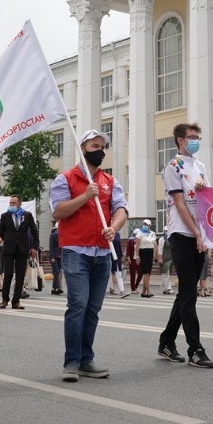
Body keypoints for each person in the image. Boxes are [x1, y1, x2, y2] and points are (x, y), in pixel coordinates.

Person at [50, 128, 128, 382]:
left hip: (102, 252)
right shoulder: (65, 179)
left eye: (102, 147)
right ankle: (72, 362)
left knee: (93, 309)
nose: (100, 151)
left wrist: (114, 227)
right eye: (95, 146)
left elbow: (121, 209)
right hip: (76, 251)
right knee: (78, 305)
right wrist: (85, 196)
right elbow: (58, 212)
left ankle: (86, 360)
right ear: (82, 148)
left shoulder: (110, 181)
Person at [158, 122, 213, 368]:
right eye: (191, 137)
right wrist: (196, 233)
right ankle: (195, 349)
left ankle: (166, 342)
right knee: (189, 292)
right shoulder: (173, 167)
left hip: (199, 234)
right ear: (180, 140)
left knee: (186, 292)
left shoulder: (200, 166)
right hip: (181, 233)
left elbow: (206, 201)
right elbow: (180, 204)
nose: (195, 141)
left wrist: (205, 234)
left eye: (197, 137)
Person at [0, 195, 38, 310]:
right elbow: (1, 232)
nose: (11, 205)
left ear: (20, 203)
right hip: (9, 249)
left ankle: (16, 301)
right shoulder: (5, 216)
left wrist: (34, 247)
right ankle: (5, 299)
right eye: (10, 203)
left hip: (22, 249)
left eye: (13, 203)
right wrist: (9, 240)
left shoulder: (27, 215)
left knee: (20, 276)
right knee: (8, 274)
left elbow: (34, 232)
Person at [134, 219, 157, 297]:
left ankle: (144, 292)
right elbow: (137, 246)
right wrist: (137, 256)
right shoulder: (139, 233)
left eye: (146, 224)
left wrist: (155, 255)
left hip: (150, 253)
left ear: (149, 225)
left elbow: (155, 244)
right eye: (144, 224)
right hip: (143, 252)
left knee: (147, 273)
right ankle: (148, 291)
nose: (145, 225)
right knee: (146, 273)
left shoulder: (152, 233)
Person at [47, 222, 63, 295]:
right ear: (57, 228)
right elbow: (51, 246)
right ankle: (58, 288)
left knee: (57, 272)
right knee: (56, 272)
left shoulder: (62, 235)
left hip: (60, 256)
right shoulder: (53, 235)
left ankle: (53, 288)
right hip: (54, 257)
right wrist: (52, 257)